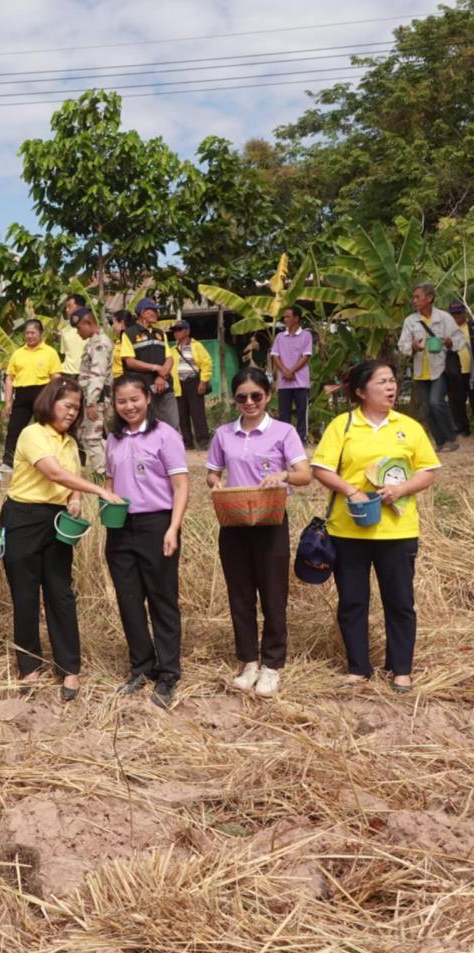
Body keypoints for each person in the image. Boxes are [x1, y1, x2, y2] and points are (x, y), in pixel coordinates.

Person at [311, 360, 440, 693]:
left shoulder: (409, 427)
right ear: (360, 391)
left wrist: (400, 489)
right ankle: (358, 668)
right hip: (348, 529)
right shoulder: (343, 425)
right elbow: (321, 468)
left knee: (399, 601)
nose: (390, 387)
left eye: (392, 381)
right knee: (353, 600)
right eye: (382, 381)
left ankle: (401, 670)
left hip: (397, 530)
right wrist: (351, 489)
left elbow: (427, 471)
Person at [0, 378, 126, 699]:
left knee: (60, 594)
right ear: (50, 402)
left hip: (56, 521)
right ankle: (29, 667)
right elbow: (54, 472)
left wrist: (75, 499)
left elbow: (70, 481)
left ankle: (69, 669)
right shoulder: (32, 434)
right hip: (23, 519)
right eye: (66, 405)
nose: (72, 413)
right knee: (25, 595)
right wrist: (100, 490)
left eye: (76, 408)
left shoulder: (70, 443)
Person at [205, 369, 311, 698]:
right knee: (240, 594)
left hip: (271, 522)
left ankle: (272, 665)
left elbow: (304, 475)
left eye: (256, 396)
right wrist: (216, 483)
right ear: (234, 399)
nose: (249, 402)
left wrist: (284, 475)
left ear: (268, 395)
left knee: (273, 594)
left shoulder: (284, 431)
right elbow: (211, 472)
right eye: (241, 397)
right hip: (234, 521)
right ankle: (248, 660)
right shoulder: (224, 434)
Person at [104, 374, 190, 709]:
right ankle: (141, 666)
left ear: (148, 399)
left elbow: (181, 486)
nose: (129, 407)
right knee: (129, 599)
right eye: (122, 401)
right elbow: (111, 481)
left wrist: (173, 528)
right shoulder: (113, 437)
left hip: (158, 524)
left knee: (161, 598)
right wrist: (106, 502)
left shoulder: (165, 435)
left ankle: (168, 672)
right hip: (121, 525)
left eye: (134, 400)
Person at [398, 282, 463, 452]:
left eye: (417, 297)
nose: (414, 301)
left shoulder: (444, 318)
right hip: (420, 372)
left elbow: (460, 340)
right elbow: (402, 345)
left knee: (436, 402)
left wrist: (450, 342)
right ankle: (440, 442)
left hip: (440, 369)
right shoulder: (410, 321)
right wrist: (412, 346)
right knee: (427, 407)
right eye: (414, 297)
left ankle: (450, 438)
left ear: (429, 298)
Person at [1, 319, 62, 466]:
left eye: (33, 333)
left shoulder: (50, 352)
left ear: (40, 333)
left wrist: (54, 399)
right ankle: (8, 461)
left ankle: (50, 459)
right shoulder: (17, 353)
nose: (30, 336)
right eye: (27, 333)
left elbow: (56, 378)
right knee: (14, 429)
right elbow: (9, 379)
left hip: (43, 393)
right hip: (21, 394)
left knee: (45, 428)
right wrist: (8, 401)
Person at [117, 298, 179, 429]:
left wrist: (161, 376)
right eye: (154, 310)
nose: (157, 314)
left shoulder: (160, 333)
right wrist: (156, 368)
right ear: (144, 313)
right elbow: (130, 362)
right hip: (143, 390)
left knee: (172, 425)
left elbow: (169, 358)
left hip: (165, 387)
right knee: (148, 427)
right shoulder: (129, 334)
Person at [76, 307, 113, 477]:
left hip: (95, 398)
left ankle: (102, 474)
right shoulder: (93, 342)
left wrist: (91, 402)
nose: (78, 332)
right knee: (92, 437)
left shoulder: (99, 344)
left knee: (92, 438)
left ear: (89, 323)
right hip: (92, 397)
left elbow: (98, 375)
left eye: (79, 328)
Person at [269, 306, 314, 443]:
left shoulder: (306, 335)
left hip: (300, 381)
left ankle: (302, 439)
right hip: (284, 382)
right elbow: (275, 356)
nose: (285, 319)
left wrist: (291, 371)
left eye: (288, 317)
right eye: (284, 317)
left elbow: (306, 356)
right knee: (284, 413)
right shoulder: (280, 337)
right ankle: (285, 439)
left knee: (302, 412)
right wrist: (285, 371)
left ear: (296, 318)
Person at [170, 319, 213, 450]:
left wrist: (203, 382)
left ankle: (203, 442)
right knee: (182, 415)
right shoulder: (173, 349)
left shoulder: (197, 346)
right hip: (179, 384)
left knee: (197, 413)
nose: (176, 333)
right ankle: (187, 443)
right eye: (174, 330)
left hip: (194, 382)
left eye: (179, 329)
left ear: (187, 331)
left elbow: (207, 363)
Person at [445, 300, 471, 436]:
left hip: (472, 372)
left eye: (459, 314)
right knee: (456, 401)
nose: (456, 318)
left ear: (464, 313)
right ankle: (462, 428)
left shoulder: (471, 326)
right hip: (455, 372)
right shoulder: (446, 330)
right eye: (453, 316)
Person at [58, 293, 87, 378]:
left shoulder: (91, 329)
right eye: (66, 307)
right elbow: (64, 353)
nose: (67, 310)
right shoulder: (64, 330)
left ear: (80, 308)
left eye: (70, 306)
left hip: (86, 374)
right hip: (67, 374)